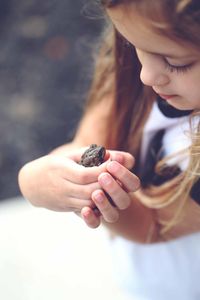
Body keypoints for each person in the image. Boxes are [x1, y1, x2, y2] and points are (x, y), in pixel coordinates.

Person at [18, 0, 200, 299]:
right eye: (133, 43)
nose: (147, 76)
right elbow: (81, 148)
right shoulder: (134, 73)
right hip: (142, 280)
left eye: (176, 63)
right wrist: (42, 179)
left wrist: (106, 200)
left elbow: (154, 226)